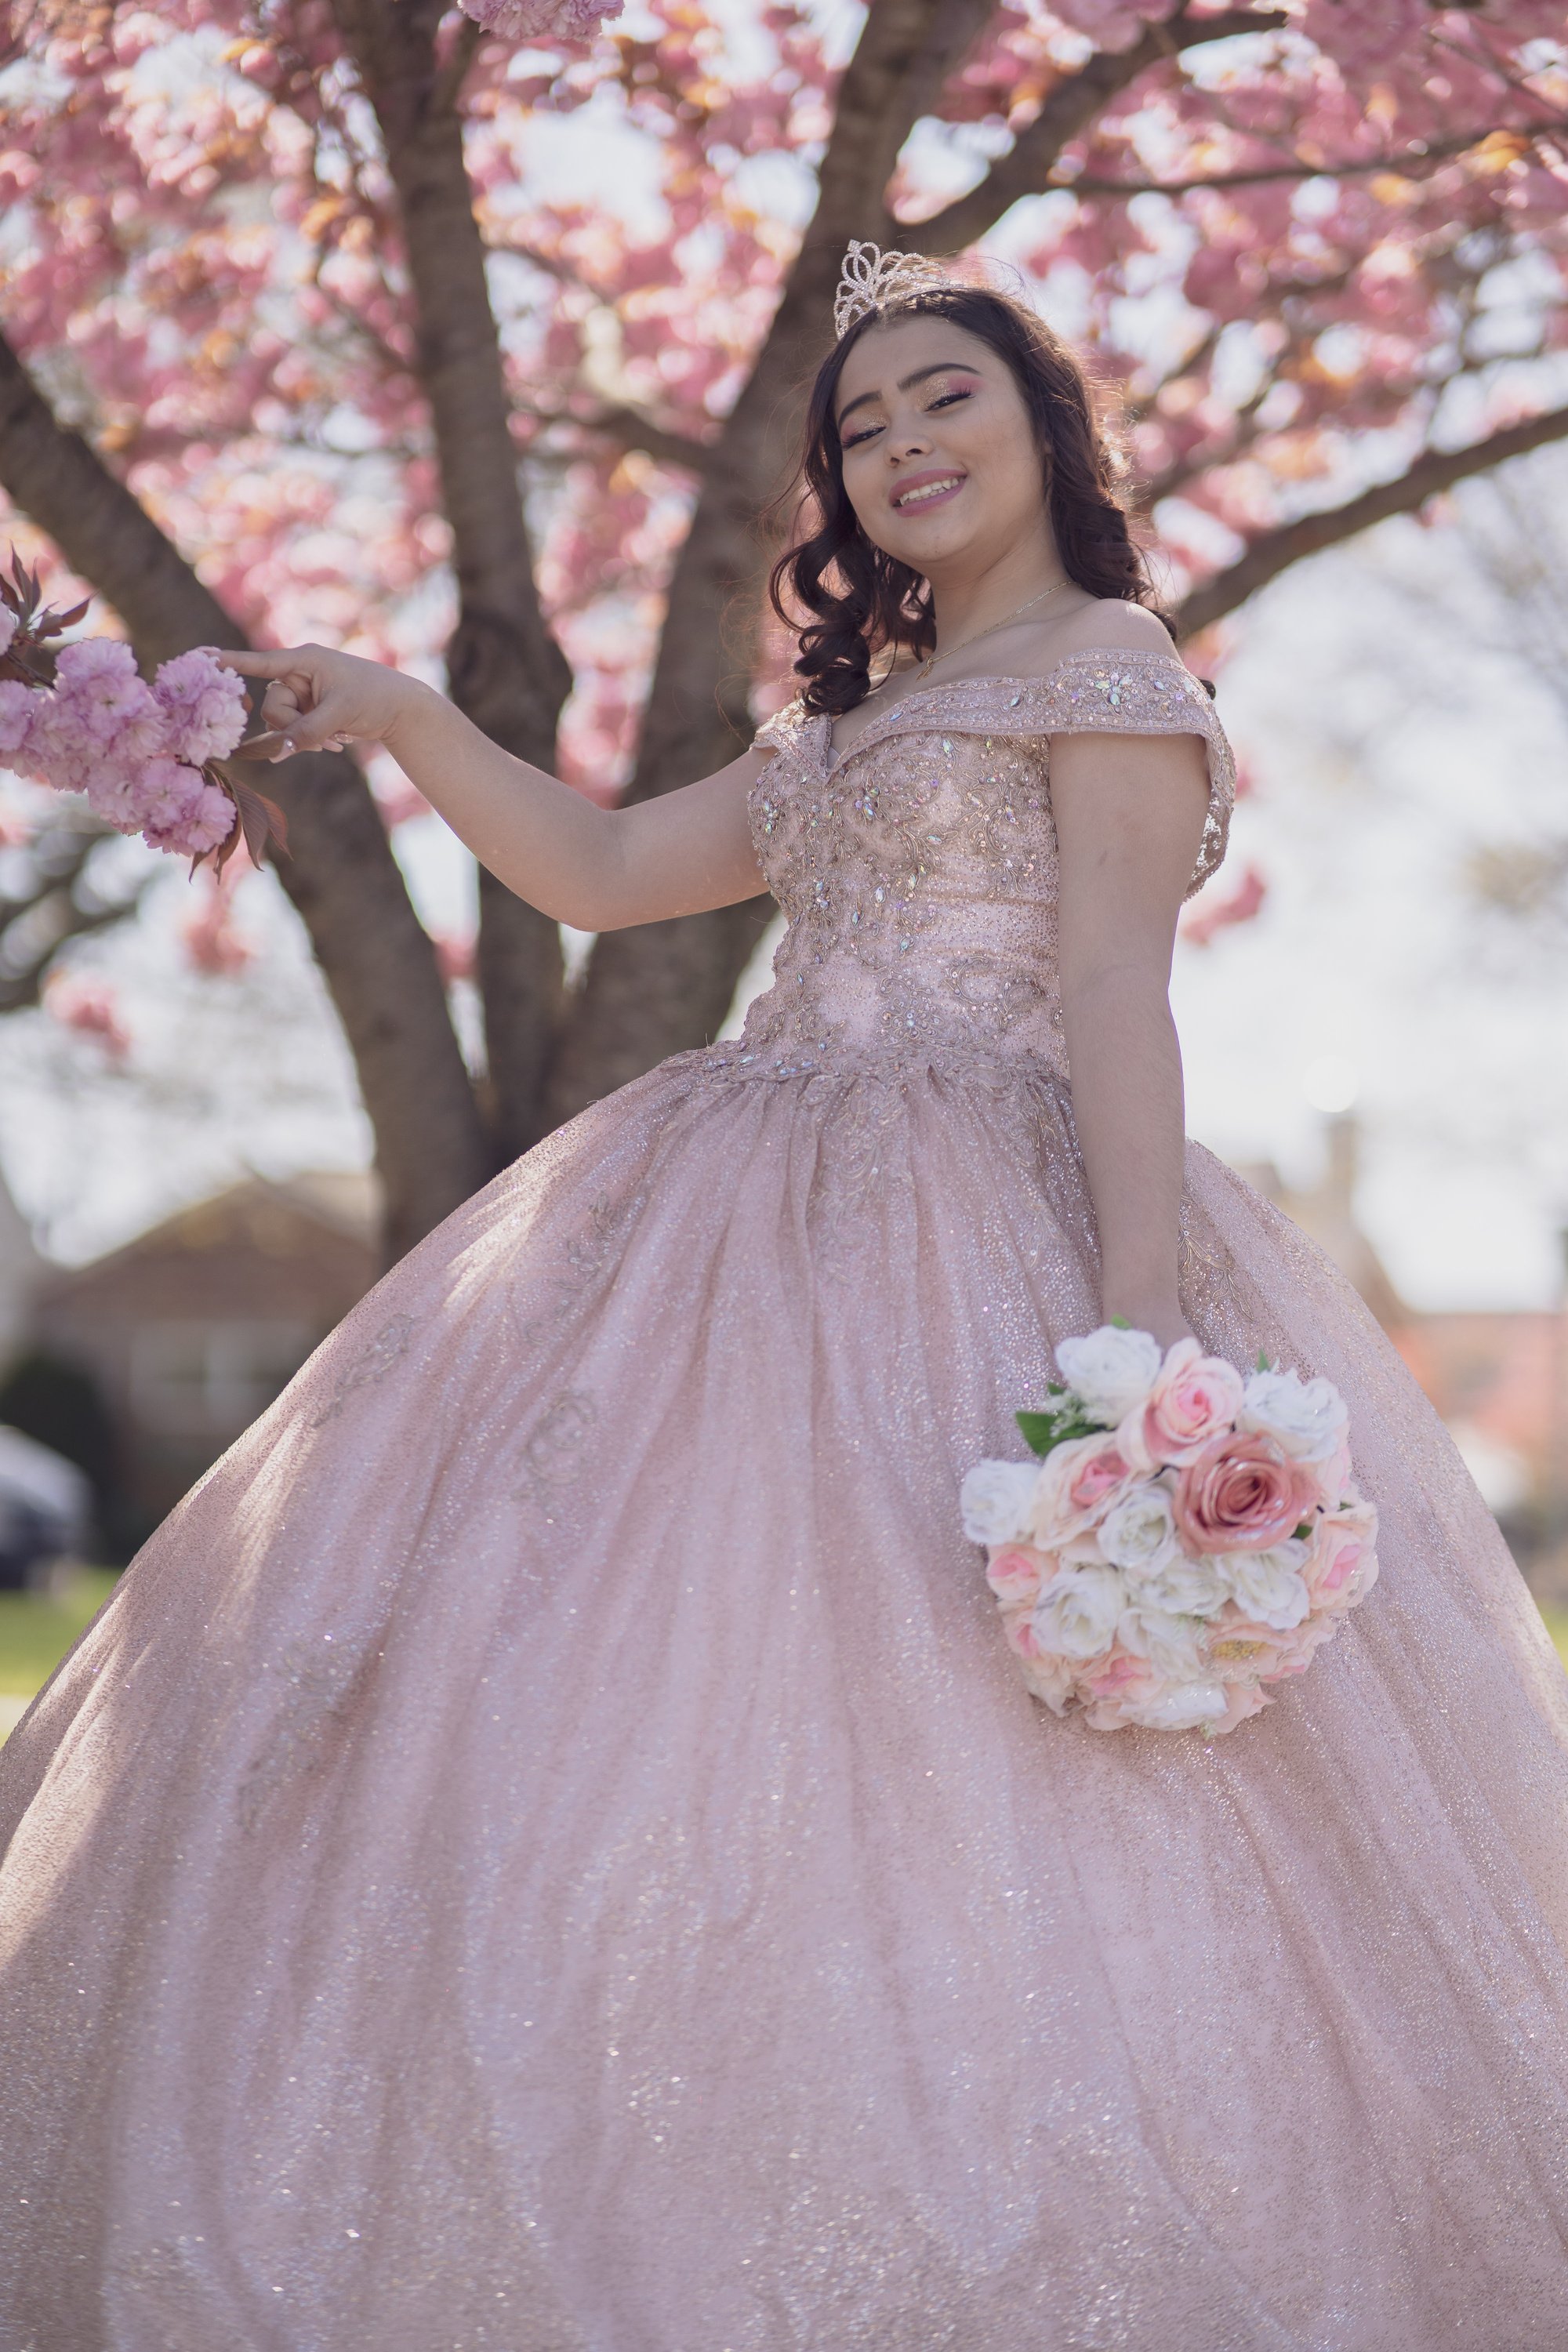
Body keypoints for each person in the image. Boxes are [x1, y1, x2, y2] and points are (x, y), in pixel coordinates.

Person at [3, 246, 1567, 2352]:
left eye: (948, 402)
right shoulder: (857, 719)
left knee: (968, 1728)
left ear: (1044, 432)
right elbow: (603, 872)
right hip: (726, 1202)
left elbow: (1112, 989)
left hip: (989, 1204)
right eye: (866, 427)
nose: (904, 445)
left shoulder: (1109, 667)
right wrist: (391, 711)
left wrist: (1129, 1353)